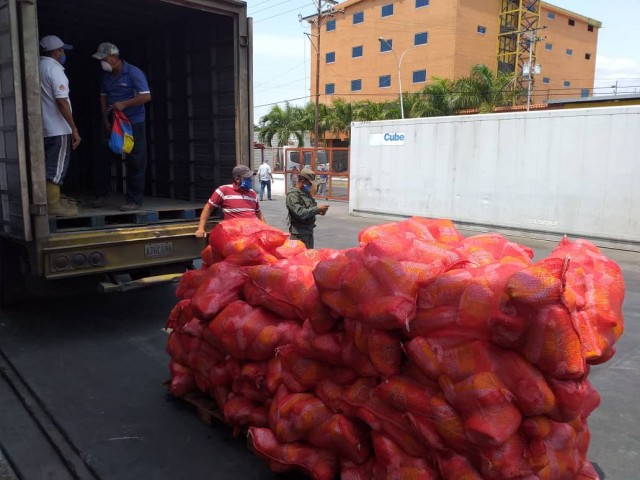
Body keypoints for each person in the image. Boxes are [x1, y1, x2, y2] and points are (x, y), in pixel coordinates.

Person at [91, 42, 151, 211]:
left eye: (104, 59)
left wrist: (124, 104)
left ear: (114, 57)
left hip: (133, 122)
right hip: (113, 122)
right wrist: (105, 119)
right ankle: (102, 194)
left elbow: (146, 96)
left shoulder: (133, 72)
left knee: (136, 160)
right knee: (102, 156)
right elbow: (103, 97)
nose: (102, 62)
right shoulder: (106, 76)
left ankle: (134, 200)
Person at [39, 35, 81, 217]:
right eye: (62, 51)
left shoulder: (38, 67)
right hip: (57, 127)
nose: (63, 54)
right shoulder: (54, 69)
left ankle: (49, 200)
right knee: (55, 167)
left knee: (44, 164)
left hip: (42, 127)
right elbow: (62, 101)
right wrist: (74, 128)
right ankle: (53, 205)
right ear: (56, 52)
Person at [195, 165, 265, 238]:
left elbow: (259, 214)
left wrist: (267, 230)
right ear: (237, 179)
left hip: (253, 234)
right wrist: (200, 228)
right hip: (235, 236)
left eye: (250, 178)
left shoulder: (252, 193)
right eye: (247, 178)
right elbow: (208, 208)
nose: (250, 180)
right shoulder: (224, 190)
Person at [286, 168, 329, 249]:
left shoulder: (306, 194)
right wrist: (317, 209)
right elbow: (300, 213)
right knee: (300, 256)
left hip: (308, 232)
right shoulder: (293, 195)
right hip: (298, 235)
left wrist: (320, 211)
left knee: (309, 255)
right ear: (302, 181)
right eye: (309, 183)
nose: (311, 186)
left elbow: (311, 207)